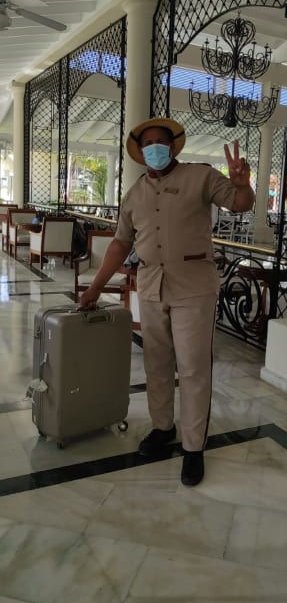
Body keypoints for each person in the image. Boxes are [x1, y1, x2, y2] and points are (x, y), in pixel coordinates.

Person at [79, 116, 254, 486]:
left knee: (192, 368)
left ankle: (193, 447)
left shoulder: (200, 176)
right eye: (147, 144)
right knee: (156, 364)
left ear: (173, 146)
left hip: (194, 287)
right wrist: (95, 287)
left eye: (160, 141)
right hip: (150, 286)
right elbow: (120, 243)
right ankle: (163, 428)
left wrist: (243, 184)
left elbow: (239, 203)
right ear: (140, 152)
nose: (154, 148)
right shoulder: (134, 195)